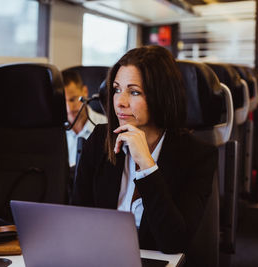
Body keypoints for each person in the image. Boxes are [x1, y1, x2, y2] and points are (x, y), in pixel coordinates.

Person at [71, 46, 218, 257]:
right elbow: (77, 217)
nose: (120, 102)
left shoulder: (198, 156)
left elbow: (174, 242)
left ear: (161, 95)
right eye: (116, 89)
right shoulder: (100, 139)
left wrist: (147, 167)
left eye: (134, 92)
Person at [62, 70, 107, 167]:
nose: (69, 108)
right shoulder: (56, 132)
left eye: (73, 99)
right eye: (63, 101)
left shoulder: (106, 125)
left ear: (85, 91)